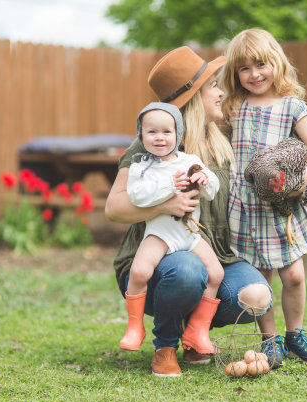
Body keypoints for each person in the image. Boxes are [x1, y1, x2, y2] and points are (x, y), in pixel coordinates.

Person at [106, 46, 274, 378]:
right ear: (195, 96)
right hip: (159, 257)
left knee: (256, 296)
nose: (221, 92)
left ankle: (195, 335)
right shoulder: (154, 143)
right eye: (213, 85)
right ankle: (164, 347)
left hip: (214, 252)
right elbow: (114, 208)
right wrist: (163, 205)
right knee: (185, 270)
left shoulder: (223, 139)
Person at [220, 28, 307, 367]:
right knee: (261, 280)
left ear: (276, 63)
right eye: (244, 68)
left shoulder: (293, 106)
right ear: (235, 74)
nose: (254, 74)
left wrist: (304, 174)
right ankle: (270, 340)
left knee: (294, 275)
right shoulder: (234, 106)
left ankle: (295, 335)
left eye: (261, 64)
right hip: (244, 208)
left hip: (281, 209)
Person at [119, 101, 224, 355]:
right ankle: (135, 327)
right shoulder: (141, 166)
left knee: (216, 273)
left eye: (167, 132)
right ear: (141, 135)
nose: (159, 138)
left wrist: (203, 179)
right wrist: (170, 185)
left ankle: (197, 329)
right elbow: (137, 196)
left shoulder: (190, 160)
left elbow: (211, 190)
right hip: (161, 234)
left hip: (189, 234)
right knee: (140, 271)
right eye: (151, 132)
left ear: (177, 134)